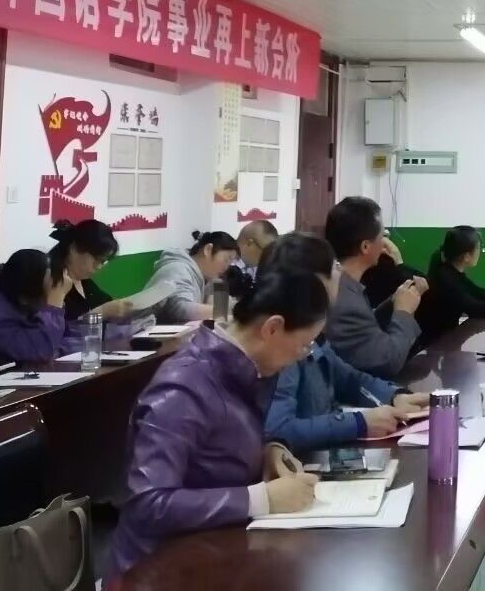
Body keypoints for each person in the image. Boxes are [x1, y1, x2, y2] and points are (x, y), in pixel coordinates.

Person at [106, 234, 327, 580]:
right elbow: (148, 504)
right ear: (272, 328)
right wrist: (261, 499)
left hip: (210, 555)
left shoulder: (240, 370)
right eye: (303, 345)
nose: (302, 356)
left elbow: (214, 452)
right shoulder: (183, 386)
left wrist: (267, 453)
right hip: (154, 572)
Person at [265, 251, 429, 457]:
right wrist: (358, 424)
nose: (340, 271)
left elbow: (349, 379)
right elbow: (277, 431)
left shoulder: (314, 333)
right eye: (334, 266)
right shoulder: (284, 344)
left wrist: (395, 396)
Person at [323, 196, 428, 381]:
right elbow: (388, 361)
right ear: (366, 246)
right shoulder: (343, 297)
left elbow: (365, 329)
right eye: (383, 235)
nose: (386, 243)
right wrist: (404, 312)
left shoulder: (344, 283)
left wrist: (394, 302)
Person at [0, 250, 72, 363]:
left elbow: (64, 338)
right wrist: (54, 306)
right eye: (50, 287)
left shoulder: (18, 299)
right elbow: (39, 351)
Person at [145, 231, 240, 323]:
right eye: (226, 260)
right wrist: (231, 311)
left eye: (230, 263)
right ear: (208, 250)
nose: (226, 267)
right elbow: (181, 309)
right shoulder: (178, 268)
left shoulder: (206, 276)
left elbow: (216, 305)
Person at [47, 219, 131, 320]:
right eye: (97, 259)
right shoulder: (51, 283)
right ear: (74, 249)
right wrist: (101, 312)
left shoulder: (86, 284)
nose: (98, 267)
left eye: (103, 262)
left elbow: (107, 302)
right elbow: (52, 326)